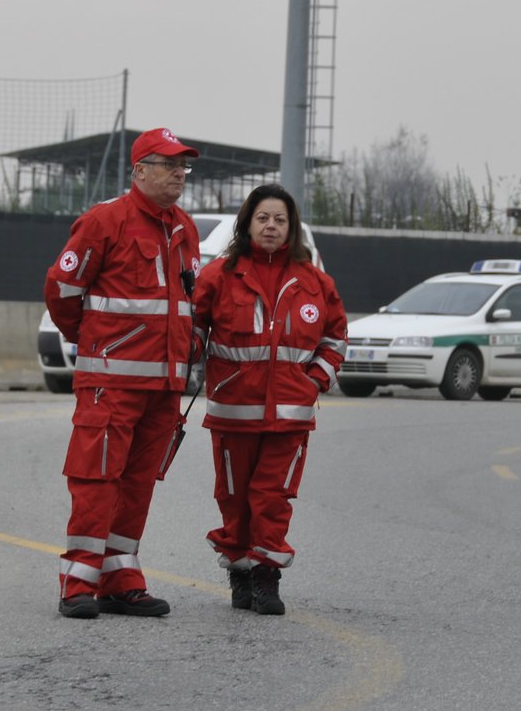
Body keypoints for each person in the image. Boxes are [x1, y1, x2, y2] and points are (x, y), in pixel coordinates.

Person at [43, 127, 202, 619]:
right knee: (96, 479)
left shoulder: (185, 228)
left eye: (184, 166)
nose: (179, 173)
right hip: (111, 383)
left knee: (138, 483)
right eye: (169, 164)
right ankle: (77, 582)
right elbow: (62, 291)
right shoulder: (104, 221)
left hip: (165, 387)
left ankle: (120, 577)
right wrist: (97, 345)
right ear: (139, 171)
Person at [190, 185, 346, 615]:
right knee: (235, 497)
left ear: (291, 228)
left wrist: (313, 381)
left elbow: (335, 338)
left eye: (280, 219)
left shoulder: (315, 282)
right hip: (232, 413)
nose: (271, 226)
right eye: (263, 218)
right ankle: (239, 572)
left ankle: (265, 577)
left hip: (291, 416)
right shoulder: (218, 275)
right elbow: (193, 330)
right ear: (247, 224)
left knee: (272, 496)